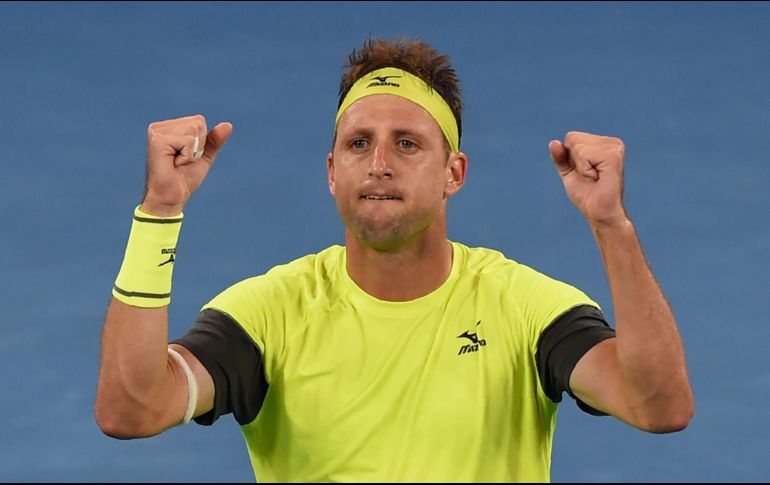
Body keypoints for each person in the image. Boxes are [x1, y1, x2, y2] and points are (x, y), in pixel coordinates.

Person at [95, 37, 694, 482]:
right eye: (359, 143)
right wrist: (159, 212)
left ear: (453, 173)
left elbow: (659, 405)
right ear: (333, 172)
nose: (379, 164)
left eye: (407, 143)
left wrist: (612, 226)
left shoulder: (528, 308)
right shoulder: (267, 315)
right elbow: (129, 409)